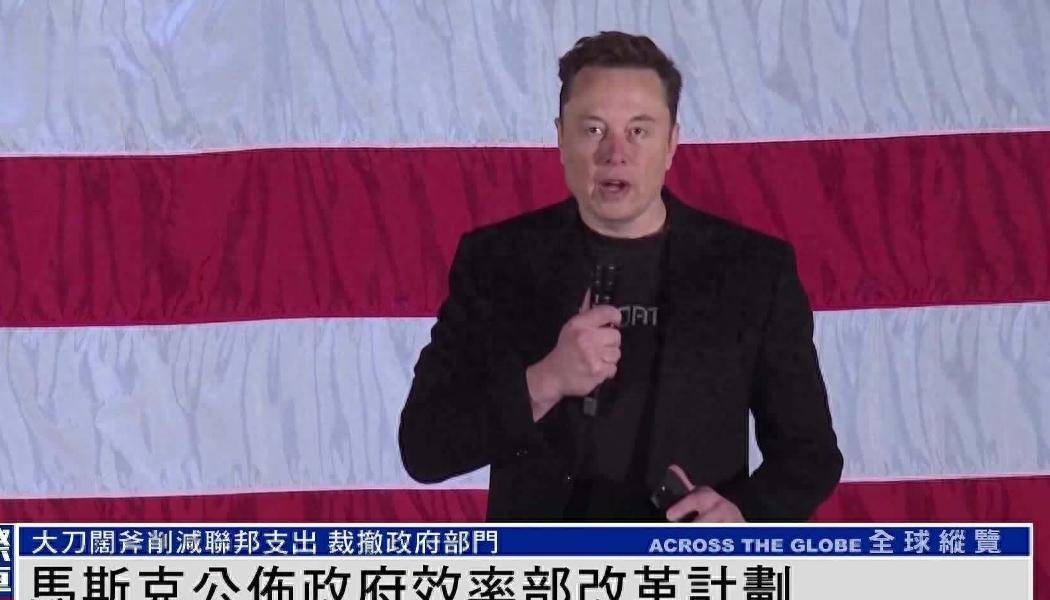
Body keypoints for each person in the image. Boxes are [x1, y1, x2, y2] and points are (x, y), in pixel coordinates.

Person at [398, 31, 842, 522]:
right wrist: (547, 380)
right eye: (593, 129)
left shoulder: (753, 270)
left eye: (639, 131)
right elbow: (424, 447)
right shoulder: (496, 262)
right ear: (560, 137)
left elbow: (810, 455)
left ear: (672, 143)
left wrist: (744, 515)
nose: (615, 153)